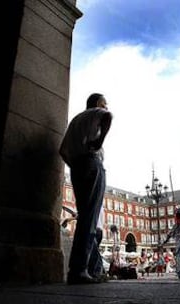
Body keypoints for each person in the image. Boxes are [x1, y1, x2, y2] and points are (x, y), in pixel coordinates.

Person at [59, 93, 112, 284]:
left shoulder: (76, 120)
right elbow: (108, 117)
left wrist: (74, 164)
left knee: (84, 217)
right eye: (104, 104)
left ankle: (80, 269)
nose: (106, 107)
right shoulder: (96, 113)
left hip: (76, 167)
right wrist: (98, 143)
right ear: (98, 104)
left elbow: (62, 151)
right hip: (92, 163)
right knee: (90, 219)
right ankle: (79, 270)